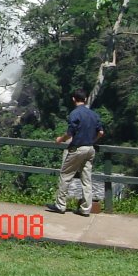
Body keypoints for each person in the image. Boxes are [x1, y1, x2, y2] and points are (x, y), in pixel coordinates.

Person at [46, 88, 104, 217]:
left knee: (65, 175)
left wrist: (60, 139)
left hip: (78, 149)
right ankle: (85, 209)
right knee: (86, 179)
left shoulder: (75, 113)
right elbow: (101, 132)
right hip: (90, 149)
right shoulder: (94, 114)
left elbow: (70, 133)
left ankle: (60, 205)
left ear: (73, 99)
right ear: (85, 99)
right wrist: (92, 140)